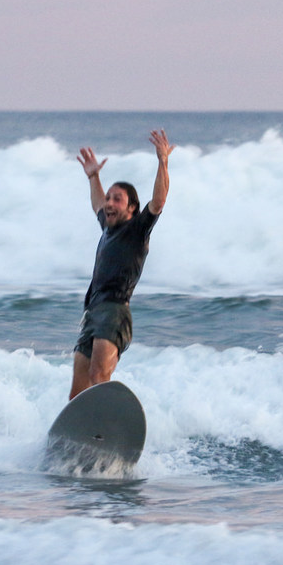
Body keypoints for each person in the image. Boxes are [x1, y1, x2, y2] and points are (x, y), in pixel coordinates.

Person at [69, 129, 173, 400]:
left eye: (118, 199)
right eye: (109, 198)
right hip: (92, 311)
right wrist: (94, 176)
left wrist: (162, 162)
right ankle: (79, 432)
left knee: (98, 375)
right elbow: (97, 205)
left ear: (132, 209)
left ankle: (107, 427)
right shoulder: (108, 227)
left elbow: (159, 202)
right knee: (77, 393)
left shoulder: (137, 229)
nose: (110, 203)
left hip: (115, 311)